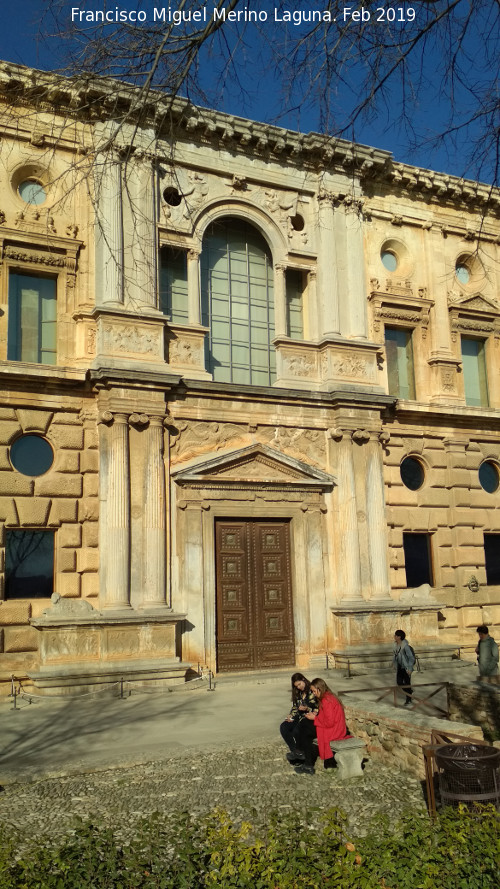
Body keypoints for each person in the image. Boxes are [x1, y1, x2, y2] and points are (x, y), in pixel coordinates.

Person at [294, 677, 350, 776]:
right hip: (334, 727)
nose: (313, 693)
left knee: (305, 729)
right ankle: (306, 760)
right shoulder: (328, 697)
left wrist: (314, 719)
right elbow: (326, 717)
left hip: (334, 730)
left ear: (320, 689)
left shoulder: (327, 700)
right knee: (304, 727)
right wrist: (315, 716)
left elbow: (329, 722)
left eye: (314, 691)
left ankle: (305, 759)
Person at [279, 673, 318, 765]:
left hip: (308, 717)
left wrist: (307, 709)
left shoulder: (312, 691)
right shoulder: (298, 693)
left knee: (297, 730)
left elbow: (317, 707)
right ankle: (295, 752)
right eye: (296, 686)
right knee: (284, 727)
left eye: (299, 684)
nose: (298, 687)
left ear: (303, 680)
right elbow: (295, 707)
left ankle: (300, 753)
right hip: (298, 716)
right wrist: (290, 715)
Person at [393, 630, 415, 707]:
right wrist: (394, 664)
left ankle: (408, 699)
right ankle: (410, 692)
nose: (394, 637)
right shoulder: (395, 645)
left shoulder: (405, 646)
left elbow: (411, 658)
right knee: (399, 682)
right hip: (399, 667)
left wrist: (409, 668)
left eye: (396, 635)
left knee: (407, 684)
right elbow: (395, 656)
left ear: (399, 637)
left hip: (406, 668)